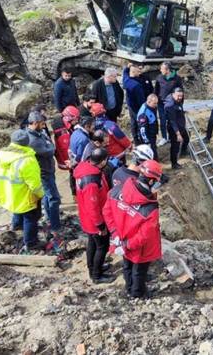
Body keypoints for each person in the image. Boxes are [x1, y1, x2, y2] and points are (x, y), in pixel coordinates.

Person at [104, 160, 163, 299]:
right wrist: (128, 245)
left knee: (127, 265)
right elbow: (145, 236)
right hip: (139, 246)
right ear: (150, 182)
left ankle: (129, 288)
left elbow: (107, 211)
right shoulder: (149, 208)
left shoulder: (118, 190)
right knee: (139, 270)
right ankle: (137, 294)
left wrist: (115, 234)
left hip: (122, 237)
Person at [0, 130, 44, 253]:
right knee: (30, 218)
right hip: (24, 195)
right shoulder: (27, 160)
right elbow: (35, 184)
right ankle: (31, 243)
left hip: (8, 192)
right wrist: (40, 195)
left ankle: (16, 228)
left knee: (17, 210)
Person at [75, 148, 113, 284]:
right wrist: (100, 225)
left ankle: (93, 268)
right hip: (94, 219)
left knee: (92, 243)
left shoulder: (85, 169)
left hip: (86, 216)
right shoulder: (91, 180)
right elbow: (93, 206)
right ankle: (96, 275)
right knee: (102, 246)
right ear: (103, 162)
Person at [25, 112, 61, 247]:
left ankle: (49, 218)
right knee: (54, 198)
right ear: (34, 123)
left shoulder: (37, 134)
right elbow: (50, 150)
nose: (44, 125)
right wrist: (50, 145)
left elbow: (48, 145)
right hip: (44, 172)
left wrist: (48, 143)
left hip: (46, 169)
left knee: (47, 197)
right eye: (41, 123)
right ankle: (55, 226)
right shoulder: (33, 140)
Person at [52, 106, 79, 196]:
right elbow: (66, 150)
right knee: (73, 174)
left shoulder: (63, 128)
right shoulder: (64, 134)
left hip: (65, 158)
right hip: (68, 160)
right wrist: (72, 162)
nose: (77, 121)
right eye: (75, 119)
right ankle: (75, 193)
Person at [123, 63, 154, 142]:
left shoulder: (126, 79)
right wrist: (145, 107)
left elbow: (125, 72)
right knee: (140, 123)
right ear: (133, 72)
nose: (140, 72)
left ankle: (137, 139)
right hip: (138, 107)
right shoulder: (136, 85)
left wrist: (127, 67)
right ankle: (141, 140)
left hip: (132, 106)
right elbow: (141, 100)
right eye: (138, 71)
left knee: (135, 123)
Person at [155, 62, 183, 147]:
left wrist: (180, 104)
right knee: (163, 121)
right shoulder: (159, 78)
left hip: (172, 104)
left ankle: (172, 136)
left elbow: (181, 92)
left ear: (167, 70)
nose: (160, 70)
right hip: (161, 104)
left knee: (172, 120)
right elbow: (156, 90)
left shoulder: (176, 79)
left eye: (162, 69)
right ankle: (164, 137)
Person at [165, 88, 189, 169]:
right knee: (175, 146)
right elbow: (172, 122)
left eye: (181, 96)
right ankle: (174, 163)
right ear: (173, 94)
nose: (180, 98)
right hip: (174, 129)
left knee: (186, 139)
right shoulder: (170, 105)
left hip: (181, 126)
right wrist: (178, 134)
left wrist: (182, 112)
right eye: (178, 96)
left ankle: (183, 152)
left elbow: (178, 109)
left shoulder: (177, 100)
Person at [137, 94, 160, 160]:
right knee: (151, 153)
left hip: (152, 133)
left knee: (154, 149)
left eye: (156, 103)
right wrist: (147, 142)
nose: (156, 105)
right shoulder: (143, 113)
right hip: (148, 137)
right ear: (149, 101)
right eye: (154, 103)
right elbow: (142, 130)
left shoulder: (152, 107)